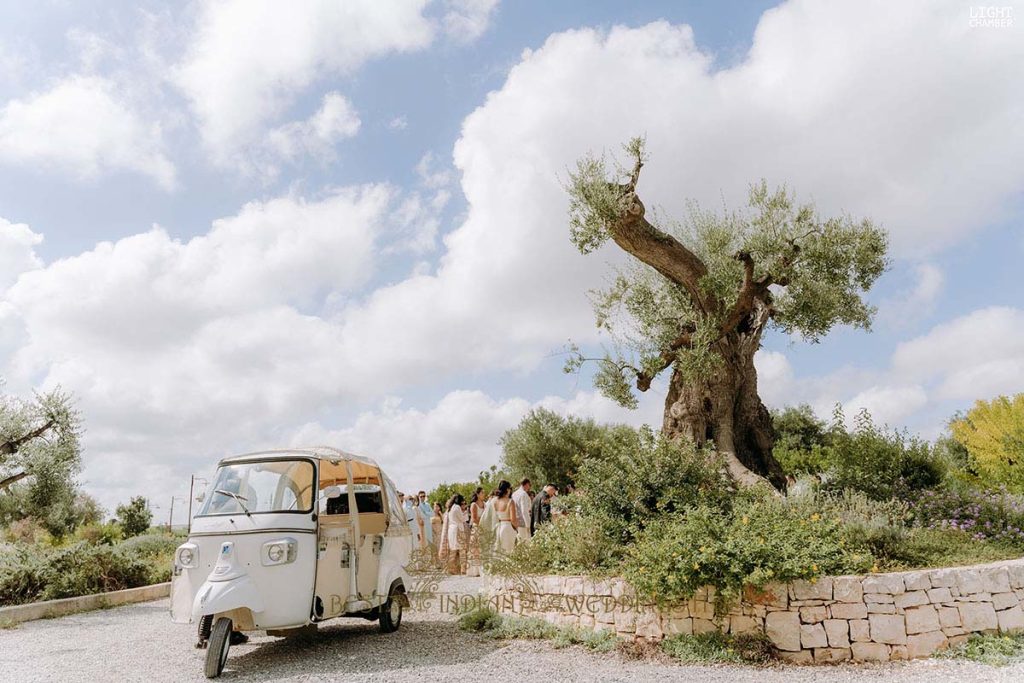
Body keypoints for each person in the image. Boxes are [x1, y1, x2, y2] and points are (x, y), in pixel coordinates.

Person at [442, 494, 467, 574]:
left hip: (451, 530)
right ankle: (463, 569)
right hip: (458, 529)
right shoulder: (457, 507)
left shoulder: (450, 508)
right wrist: (465, 512)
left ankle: (451, 568)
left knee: (453, 550)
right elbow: (462, 519)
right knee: (462, 549)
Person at [491, 480, 518, 554]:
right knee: (509, 552)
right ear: (507, 489)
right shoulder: (510, 501)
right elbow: (513, 519)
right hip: (508, 527)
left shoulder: (494, 501)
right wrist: (516, 528)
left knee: (499, 552)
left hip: (498, 527)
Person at [466, 487, 485, 576]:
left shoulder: (485, 504)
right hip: (477, 528)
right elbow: (474, 519)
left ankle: (482, 568)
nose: (484, 494)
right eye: (482, 493)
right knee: (475, 548)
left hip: (484, 528)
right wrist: (482, 520)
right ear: (477, 494)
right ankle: (474, 570)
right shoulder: (474, 505)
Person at [510, 478, 532, 544]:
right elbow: (524, 511)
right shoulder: (523, 494)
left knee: (519, 543)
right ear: (526, 484)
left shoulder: (514, 494)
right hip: (523, 523)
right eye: (529, 485)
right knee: (526, 543)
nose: (529, 487)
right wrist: (528, 525)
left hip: (515, 522)